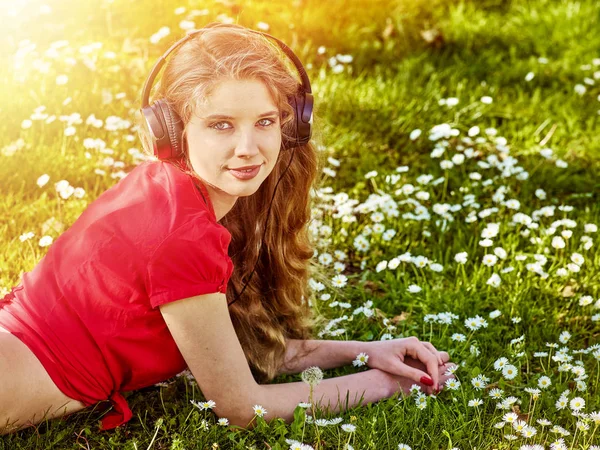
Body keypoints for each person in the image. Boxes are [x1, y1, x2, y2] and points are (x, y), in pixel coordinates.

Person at [0, 23, 455, 435]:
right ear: (173, 134)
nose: (247, 148)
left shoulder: (165, 189)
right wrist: (385, 383)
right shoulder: (180, 237)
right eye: (220, 125)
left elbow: (242, 351)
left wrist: (366, 351)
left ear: (291, 124)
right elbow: (241, 406)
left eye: (264, 122)